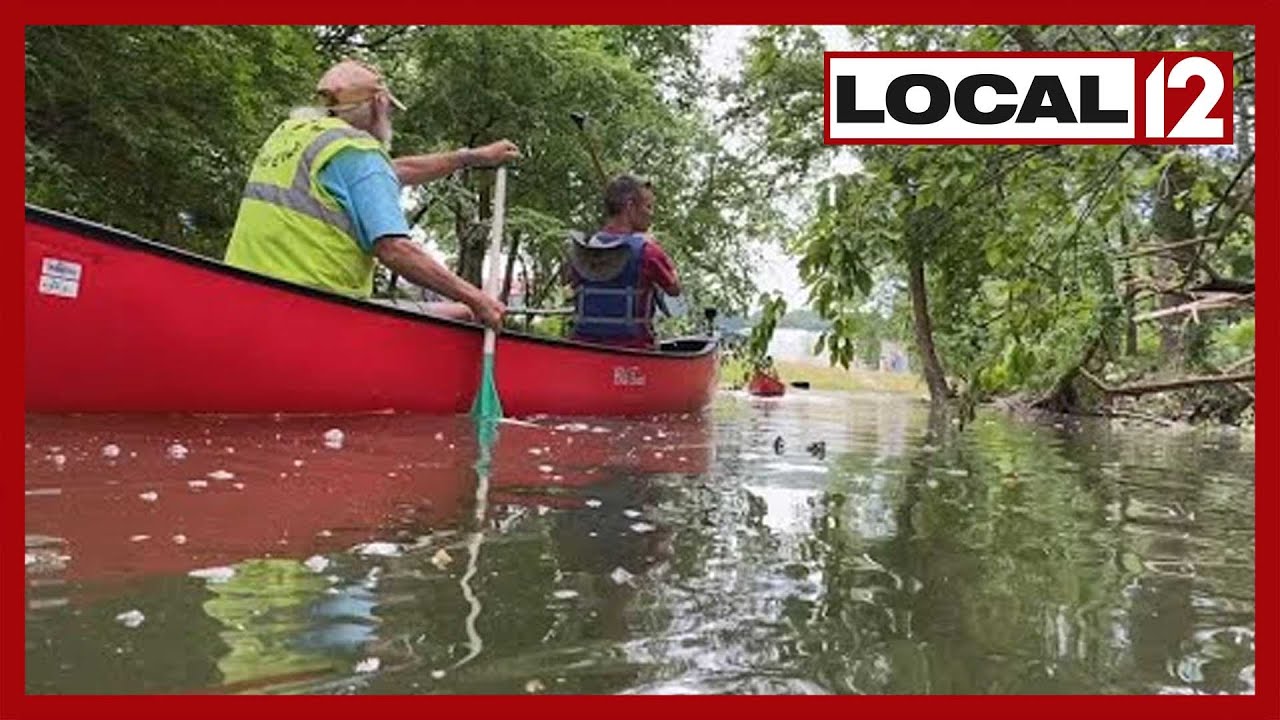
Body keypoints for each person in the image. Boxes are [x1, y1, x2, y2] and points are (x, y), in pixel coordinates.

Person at [224, 58, 518, 329]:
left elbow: (392, 171)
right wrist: (477, 299)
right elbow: (394, 249)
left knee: (459, 309)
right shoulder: (359, 152)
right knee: (466, 312)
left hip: (245, 298)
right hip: (319, 314)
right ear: (378, 103)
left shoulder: (292, 135)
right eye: (389, 107)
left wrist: (471, 157)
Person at [565, 175, 681, 349]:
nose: (651, 214)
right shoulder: (648, 251)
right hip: (635, 351)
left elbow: (569, 282)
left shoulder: (583, 248)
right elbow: (675, 289)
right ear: (630, 206)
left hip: (583, 350)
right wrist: (657, 246)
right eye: (648, 207)